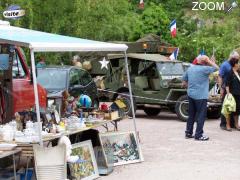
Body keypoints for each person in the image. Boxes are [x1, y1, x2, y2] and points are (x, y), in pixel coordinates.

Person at [182, 55, 219, 141]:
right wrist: (210, 62)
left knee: (191, 115)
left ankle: (188, 133)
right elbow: (217, 68)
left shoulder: (190, 68)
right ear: (204, 62)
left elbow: (183, 82)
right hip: (201, 96)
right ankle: (198, 135)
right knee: (201, 116)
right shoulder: (205, 69)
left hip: (191, 95)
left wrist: (189, 88)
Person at [218, 51, 240, 130]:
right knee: (227, 107)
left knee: (235, 108)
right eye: (236, 59)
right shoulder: (225, 65)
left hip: (236, 91)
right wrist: (221, 89)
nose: (238, 60)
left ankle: (233, 124)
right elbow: (220, 76)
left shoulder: (237, 69)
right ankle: (224, 124)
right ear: (232, 57)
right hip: (227, 89)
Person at [225, 57, 240, 131]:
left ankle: (236, 124)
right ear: (235, 64)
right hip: (231, 94)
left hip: (238, 94)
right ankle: (228, 125)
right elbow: (227, 84)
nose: (239, 64)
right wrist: (228, 94)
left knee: (237, 110)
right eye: (238, 63)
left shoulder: (238, 72)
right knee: (229, 110)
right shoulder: (229, 72)